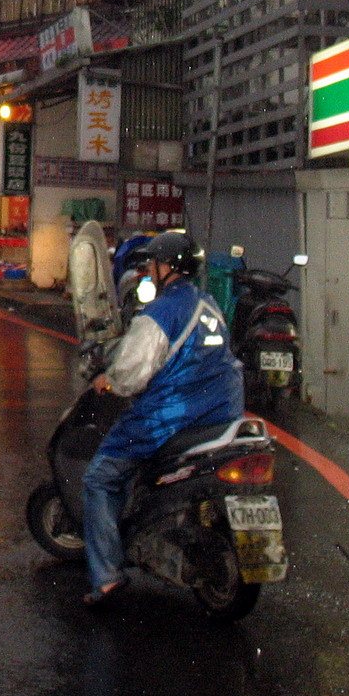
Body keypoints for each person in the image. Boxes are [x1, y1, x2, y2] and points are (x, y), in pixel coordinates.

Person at [79, 230, 243, 607]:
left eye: (153, 263)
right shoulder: (208, 304)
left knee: (100, 477)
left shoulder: (162, 312)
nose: (150, 270)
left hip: (174, 413)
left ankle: (107, 578)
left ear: (167, 267)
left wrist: (109, 380)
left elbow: (132, 371)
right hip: (223, 410)